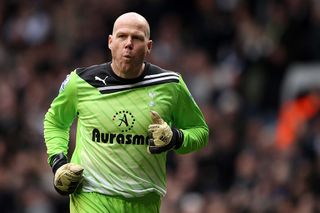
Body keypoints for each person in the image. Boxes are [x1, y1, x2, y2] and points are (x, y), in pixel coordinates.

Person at [44, 12, 209, 213]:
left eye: (137, 38)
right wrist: (58, 163)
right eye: (122, 36)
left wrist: (175, 138)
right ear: (110, 42)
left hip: (144, 201)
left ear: (149, 46)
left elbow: (200, 131)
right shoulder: (81, 82)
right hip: (91, 196)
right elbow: (55, 121)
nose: (128, 43)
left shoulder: (170, 85)